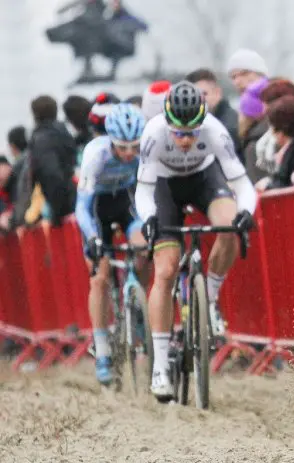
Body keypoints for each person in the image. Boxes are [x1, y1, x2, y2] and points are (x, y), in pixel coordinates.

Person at [134, 81, 257, 399]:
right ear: (168, 122)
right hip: (164, 188)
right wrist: (149, 218)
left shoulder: (215, 131)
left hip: (204, 179)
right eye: (179, 133)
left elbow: (242, 183)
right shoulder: (153, 133)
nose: (186, 139)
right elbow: (144, 191)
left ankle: (211, 299)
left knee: (230, 227)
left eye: (192, 132)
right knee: (165, 270)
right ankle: (160, 366)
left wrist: (245, 212)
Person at [75, 103, 148, 384]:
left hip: (126, 202)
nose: (130, 153)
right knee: (100, 278)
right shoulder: (97, 154)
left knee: (144, 245)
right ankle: (103, 349)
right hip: (96, 209)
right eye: (123, 147)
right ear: (111, 141)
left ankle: (139, 309)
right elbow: (82, 206)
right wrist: (93, 238)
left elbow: (148, 191)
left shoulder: (143, 152)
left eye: (134, 147)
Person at [27, 95, 78, 225]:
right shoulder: (64, 132)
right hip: (75, 196)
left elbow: (51, 175)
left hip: (62, 206)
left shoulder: (42, 140)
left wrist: (57, 211)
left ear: (35, 115)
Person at [185, 68, 241, 160]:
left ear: (218, 93)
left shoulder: (228, 127)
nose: (199, 100)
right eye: (192, 95)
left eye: (204, 94)